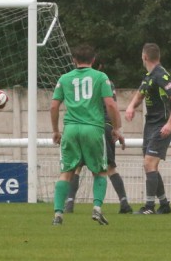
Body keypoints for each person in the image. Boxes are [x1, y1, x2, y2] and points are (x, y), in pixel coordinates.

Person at [50, 44, 121, 225]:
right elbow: (111, 105)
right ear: (93, 60)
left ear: (74, 60)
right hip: (93, 129)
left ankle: (58, 213)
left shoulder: (64, 79)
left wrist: (56, 131)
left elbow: (54, 106)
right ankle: (97, 208)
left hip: (71, 129)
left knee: (66, 172)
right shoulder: (100, 77)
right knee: (100, 171)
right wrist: (116, 127)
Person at [63, 65, 132, 214]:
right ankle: (124, 202)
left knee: (76, 167)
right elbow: (111, 104)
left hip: (89, 125)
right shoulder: (106, 81)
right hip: (104, 126)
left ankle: (69, 203)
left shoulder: (79, 81)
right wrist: (116, 127)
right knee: (109, 167)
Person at [125, 43, 171, 215]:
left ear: (144, 57)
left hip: (161, 125)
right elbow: (140, 93)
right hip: (150, 125)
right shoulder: (149, 77)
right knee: (150, 165)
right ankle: (164, 204)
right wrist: (131, 106)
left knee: (149, 162)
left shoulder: (161, 76)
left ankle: (149, 207)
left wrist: (170, 123)